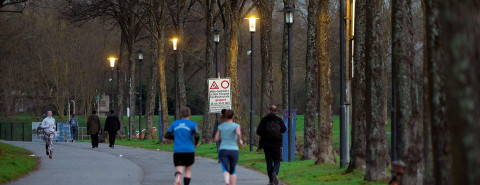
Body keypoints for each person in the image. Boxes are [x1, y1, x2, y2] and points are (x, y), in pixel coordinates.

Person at [165, 107, 200, 185]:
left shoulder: (174, 123)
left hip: (178, 150)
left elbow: (166, 135)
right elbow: (197, 135)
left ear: (180, 115)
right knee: (188, 170)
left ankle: (178, 176)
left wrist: (175, 137)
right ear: (190, 115)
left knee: (179, 169)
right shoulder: (192, 124)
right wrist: (196, 143)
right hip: (189, 150)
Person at [256, 105, 286, 185]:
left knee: (269, 161)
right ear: (276, 111)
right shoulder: (279, 119)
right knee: (277, 161)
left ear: (269, 110)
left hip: (266, 144)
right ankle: (275, 172)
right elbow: (284, 129)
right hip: (277, 143)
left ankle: (271, 181)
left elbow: (258, 131)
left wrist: (264, 134)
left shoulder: (264, 120)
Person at [214, 110, 243, 185]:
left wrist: (222, 137)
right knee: (233, 169)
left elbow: (216, 138)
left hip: (223, 149)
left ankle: (227, 181)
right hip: (234, 150)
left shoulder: (221, 126)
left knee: (225, 167)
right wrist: (239, 141)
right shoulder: (236, 126)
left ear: (225, 116)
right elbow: (238, 133)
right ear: (233, 116)